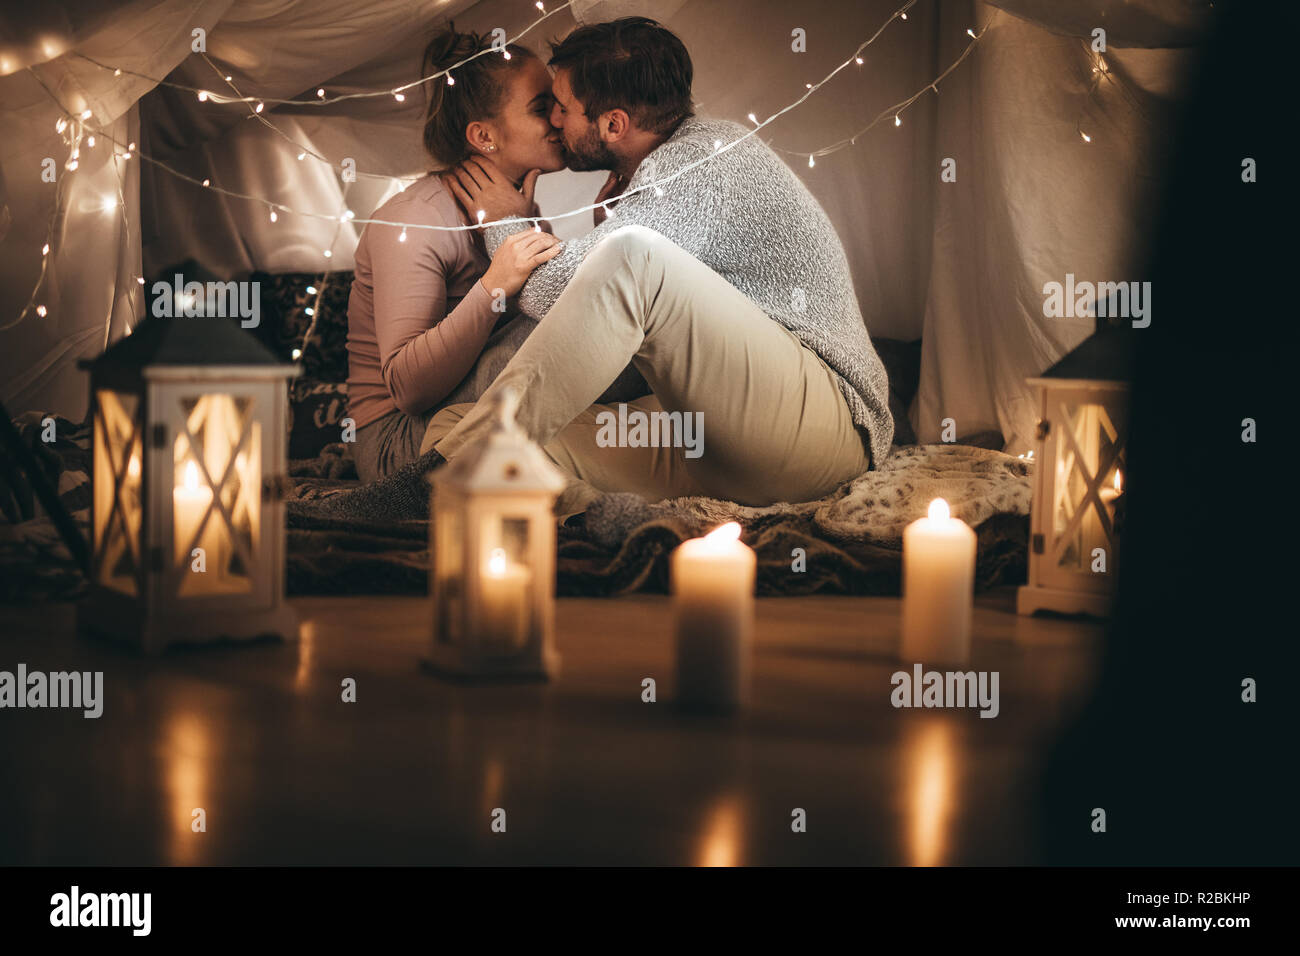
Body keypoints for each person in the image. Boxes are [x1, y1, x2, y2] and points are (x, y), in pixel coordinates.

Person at [428, 16, 895, 518]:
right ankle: (599, 517)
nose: (555, 123)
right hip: (717, 433)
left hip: (822, 429)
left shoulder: (704, 160)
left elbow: (556, 293)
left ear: (613, 124)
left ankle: (438, 488)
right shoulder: (662, 168)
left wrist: (504, 224)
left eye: (562, 108)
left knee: (633, 255)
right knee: (452, 439)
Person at [344, 26, 567, 483]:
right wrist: (493, 287)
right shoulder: (413, 220)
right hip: (398, 448)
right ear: (484, 136)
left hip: (466, 416)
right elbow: (407, 389)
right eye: (543, 108)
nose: (561, 119)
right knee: (571, 322)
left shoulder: (516, 209)